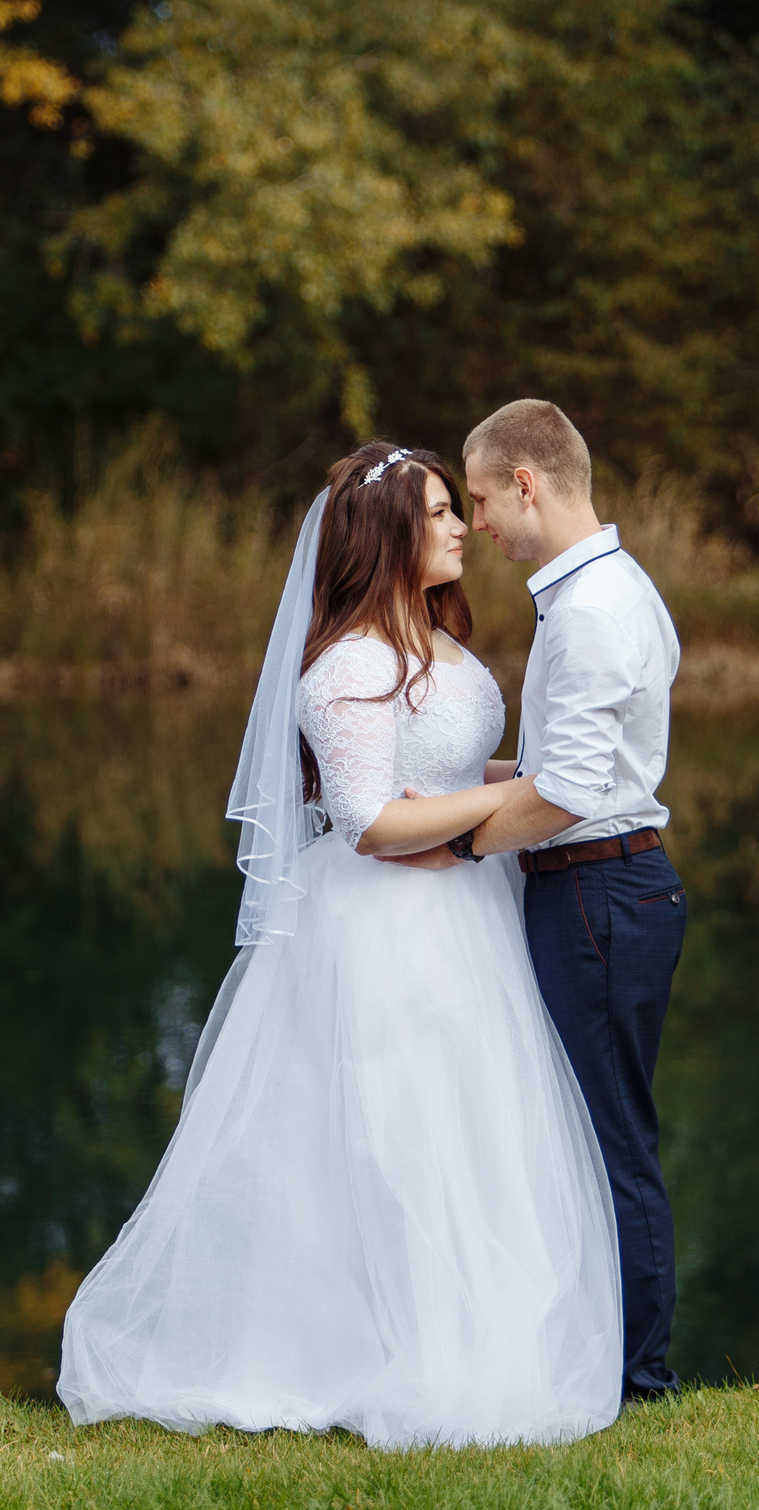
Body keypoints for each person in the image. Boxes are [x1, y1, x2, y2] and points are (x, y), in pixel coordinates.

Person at [56, 441, 622, 1450]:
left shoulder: (440, 644)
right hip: (384, 927)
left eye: (460, 507)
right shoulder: (349, 665)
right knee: (395, 1134)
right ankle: (375, 1349)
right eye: (440, 511)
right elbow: (367, 819)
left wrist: (544, 783)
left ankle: (481, 1339)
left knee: (477, 1127)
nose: (460, 527)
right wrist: (513, 798)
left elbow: (438, 767)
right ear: (386, 533)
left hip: (467, 910)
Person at [401, 398, 687, 1405]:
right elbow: (575, 767)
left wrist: (457, 842)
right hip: (606, 886)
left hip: (599, 892)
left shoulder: (596, 609)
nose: (474, 522)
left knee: (608, 1137)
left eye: (478, 498)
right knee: (593, 1128)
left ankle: (636, 1376)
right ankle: (605, 1356)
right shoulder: (597, 591)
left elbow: (566, 792)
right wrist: (451, 781)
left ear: (527, 483)